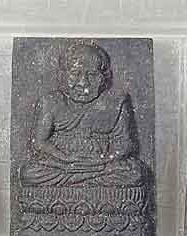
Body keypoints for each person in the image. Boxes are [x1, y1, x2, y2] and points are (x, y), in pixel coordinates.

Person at [19, 42, 147, 188]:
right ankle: (85, 180)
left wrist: (102, 160)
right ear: (62, 75)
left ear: (104, 77)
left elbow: (125, 144)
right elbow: (39, 143)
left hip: (101, 164)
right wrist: (66, 159)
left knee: (136, 173)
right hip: (60, 163)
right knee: (29, 173)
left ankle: (76, 181)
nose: (83, 83)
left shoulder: (116, 102)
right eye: (75, 74)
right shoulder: (51, 102)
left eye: (92, 75)